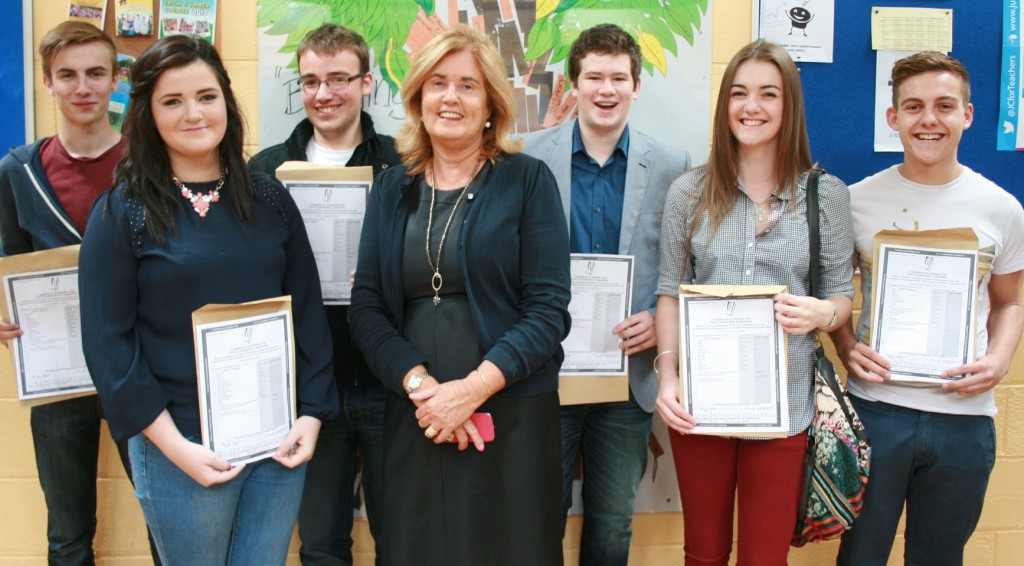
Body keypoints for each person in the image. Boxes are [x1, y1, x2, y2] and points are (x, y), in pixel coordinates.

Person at [78, 35, 338, 565]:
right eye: (172, 101)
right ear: (148, 115)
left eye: (207, 95)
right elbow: (109, 346)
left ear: (226, 101)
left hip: (277, 443)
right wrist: (176, 449)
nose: (194, 113)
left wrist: (310, 415)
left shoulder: (269, 198)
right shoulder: (121, 213)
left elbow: (308, 313)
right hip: (183, 447)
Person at [349, 25, 570, 566]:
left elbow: (548, 311)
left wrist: (470, 391)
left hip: (510, 417)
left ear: (492, 103)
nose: (451, 97)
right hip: (416, 416)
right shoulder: (390, 187)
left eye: (468, 86)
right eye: (438, 83)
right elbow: (369, 306)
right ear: (418, 97)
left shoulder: (528, 181)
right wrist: (426, 391)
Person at [652, 39, 854, 564]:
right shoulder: (689, 192)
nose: (752, 107)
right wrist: (668, 376)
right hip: (702, 404)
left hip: (783, 407)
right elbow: (670, 292)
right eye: (739, 93)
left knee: (765, 556)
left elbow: (841, 297)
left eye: (769, 94)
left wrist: (820, 313)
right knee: (704, 553)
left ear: (789, 108)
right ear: (724, 106)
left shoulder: (823, 194)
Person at [831, 52, 1024, 566]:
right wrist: (847, 346)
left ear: (968, 114)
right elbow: (834, 297)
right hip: (876, 410)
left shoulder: (1002, 208)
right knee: (860, 557)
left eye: (944, 105)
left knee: (939, 558)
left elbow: (1008, 303)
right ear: (893, 118)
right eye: (913, 107)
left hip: (964, 418)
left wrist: (1000, 360)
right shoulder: (855, 202)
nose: (929, 120)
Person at [521, 23, 689, 565]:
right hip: (547, 371)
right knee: (538, 515)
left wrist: (655, 318)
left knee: (613, 523)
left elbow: (682, 266)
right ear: (574, 83)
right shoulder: (526, 158)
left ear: (636, 86)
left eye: (619, 77)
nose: (606, 89)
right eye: (594, 76)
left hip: (628, 374)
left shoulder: (672, 165)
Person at [0, 21, 161, 566]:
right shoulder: (17, 172)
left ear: (117, 77)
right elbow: (10, 261)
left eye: (96, 72)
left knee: (167, 518)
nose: (83, 87)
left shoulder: (148, 165)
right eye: (67, 75)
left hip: (139, 367)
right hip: (57, 375)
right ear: (47, 82)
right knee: (67, 534)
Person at [249, 23, 400, 565]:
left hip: (390, 384)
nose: (323, 94)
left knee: (402, 540)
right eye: (311, 81)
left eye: (338, 79)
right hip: (307, 391)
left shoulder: (402, 165)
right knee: (320, 544)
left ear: (366, 83)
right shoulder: (264, 172)